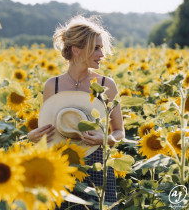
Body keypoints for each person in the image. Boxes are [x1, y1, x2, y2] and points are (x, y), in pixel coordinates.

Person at [28, 15, 125, 210]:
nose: (102, 54)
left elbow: (120, 132)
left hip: (98, 167)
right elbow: (49, 132)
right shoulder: (52, 86)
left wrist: (105, 139)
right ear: (76, 49)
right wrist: (33, 137)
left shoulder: (106, 85)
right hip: (61, 168)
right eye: (96, 48)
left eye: (101, 48)